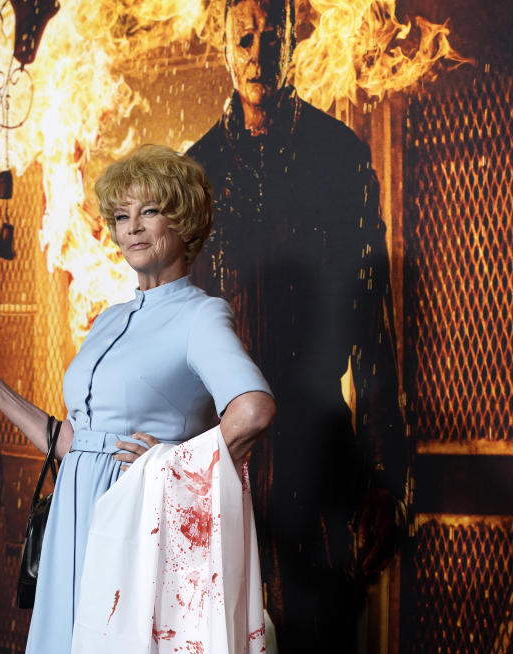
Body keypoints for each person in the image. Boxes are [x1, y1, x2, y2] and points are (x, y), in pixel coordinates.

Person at [0, 144, 275, 653]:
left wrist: (171, 467)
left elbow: (253, 409)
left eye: (150, 212)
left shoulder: (201, 315)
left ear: (183, 223)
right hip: (72, 519)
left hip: (135, 525)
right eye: (122, 216)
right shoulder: (106, 319)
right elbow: (76, 444)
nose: (132, 228)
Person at [185, 0, 407, 651]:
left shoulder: (337, 157)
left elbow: (373, 327)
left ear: (294, 38)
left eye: (271, 37)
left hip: (318, 449)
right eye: (245, 38)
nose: (259, 53)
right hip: (223, 451)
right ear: (224, 44)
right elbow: (179, 333)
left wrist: (387, 473)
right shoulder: (196, 172)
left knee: (324, 636)